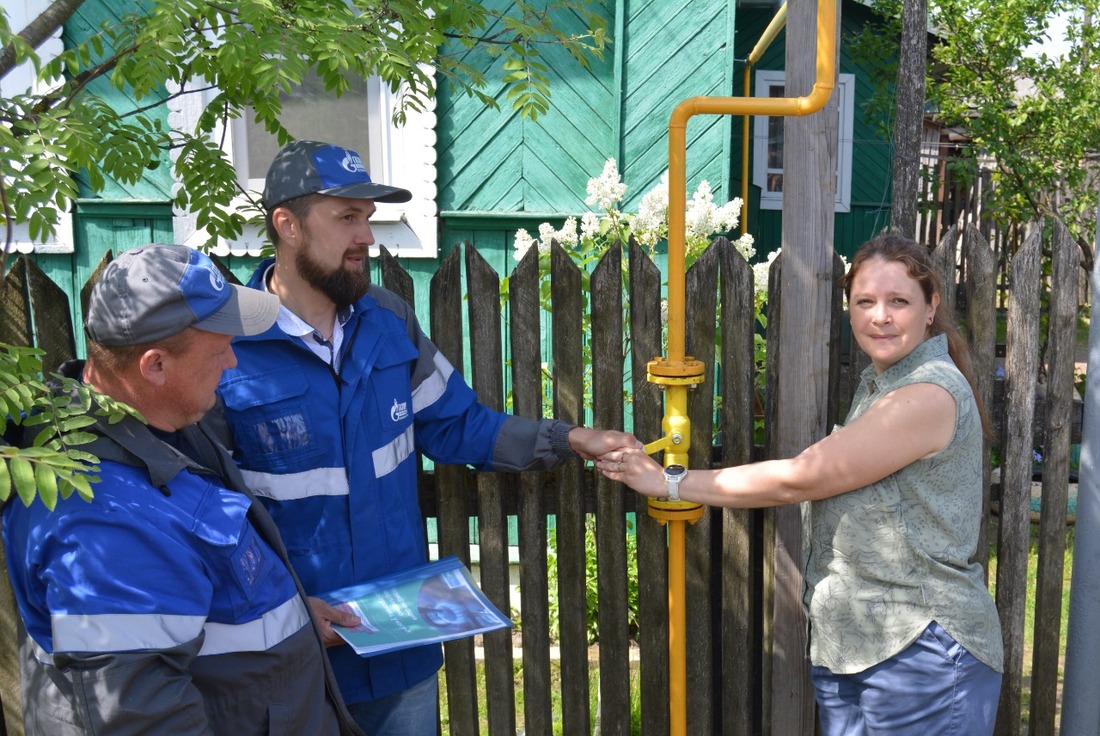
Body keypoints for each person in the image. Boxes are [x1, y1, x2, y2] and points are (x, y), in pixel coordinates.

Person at [214, 139, 641, 734]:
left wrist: (570, 439)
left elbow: (457, 423)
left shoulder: (389, 319)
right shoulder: (227, 346)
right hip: (294, 659)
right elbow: (203, 508)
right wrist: (279, 611)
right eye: (346, 218)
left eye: (368, 218)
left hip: (400, 652)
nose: (366, 236)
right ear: (286, 224)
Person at [598, 233, 1004, 736]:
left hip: (920, 650)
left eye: (899, 301)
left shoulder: (925, 395)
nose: (880, 316)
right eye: (865, 302)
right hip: (855, 646)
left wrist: (668, 481)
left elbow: (802, 478)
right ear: (849, 309)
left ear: (931, 306)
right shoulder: (885, 383)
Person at [2, 244, 364, 736]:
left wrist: (293, 613)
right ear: (154, 366)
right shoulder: (105, 527)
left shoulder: (155, 421)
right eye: (219, 349)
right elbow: (141, 720)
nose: (233, 362)